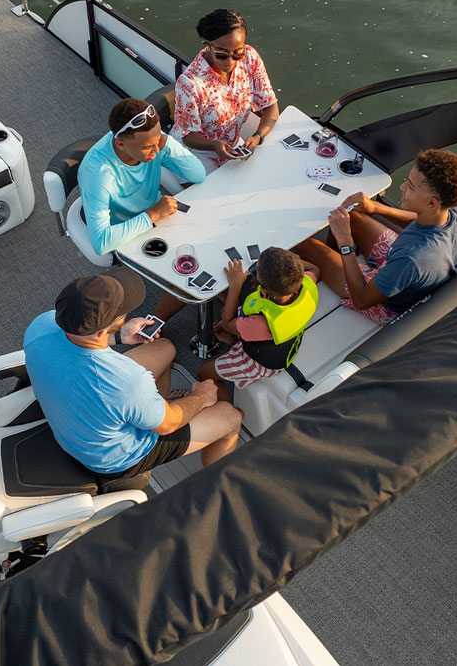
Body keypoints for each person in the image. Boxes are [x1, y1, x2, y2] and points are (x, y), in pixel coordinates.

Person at [23, 267, 242, 480]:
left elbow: (80, 340)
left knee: (165, 347)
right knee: (229, 415)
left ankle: (151, 408)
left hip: (77, 410)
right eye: (122, 312)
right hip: (111, 459)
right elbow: (169, 425)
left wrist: (117, 337)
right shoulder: (127, 382)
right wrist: (201, 397)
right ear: (102, 329)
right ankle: (218, 483)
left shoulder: (41, 325)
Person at [295, 148, 457, 325]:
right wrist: (376, 208)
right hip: (402, 268)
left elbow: (362, 299)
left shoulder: (411, 258)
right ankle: (330, 265)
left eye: (410, 187)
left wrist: (345, 242)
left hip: (384, 303)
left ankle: (321, 266)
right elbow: (419, 219)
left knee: (304, 243)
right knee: (349, 214)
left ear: (432, 202)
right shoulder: (455, 208)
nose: (402, 186)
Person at [79, 97, 206, 257]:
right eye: (147, 147)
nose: (155, 150)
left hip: (158, 213)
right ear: (120, 144)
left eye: (158, 139)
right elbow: (101, 243)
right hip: (126, 232)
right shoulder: (98, 174)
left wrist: (167, 142)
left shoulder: (153, 140)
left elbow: (198, 174)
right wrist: (152, 215)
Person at [198, 248, 321, 398]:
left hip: (261, 363)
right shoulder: (308, 282)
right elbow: (315, 268)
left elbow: (227, 323)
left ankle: (229, 409)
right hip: (286, 344)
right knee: (239, 319)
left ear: (263, 289)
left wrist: (235, 285)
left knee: (204, 372)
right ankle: (236, 341)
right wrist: (287, 268)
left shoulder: (262, 323)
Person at [173, 8, 279, 172]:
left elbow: (271, 106)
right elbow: (188, 136)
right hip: (197, 153)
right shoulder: (189, 83)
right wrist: (214, 145)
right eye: (222, 55)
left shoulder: (250, 57)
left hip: (233, 146)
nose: (231, 62)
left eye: (237, 53)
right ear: (208, 45)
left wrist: (258, 136)